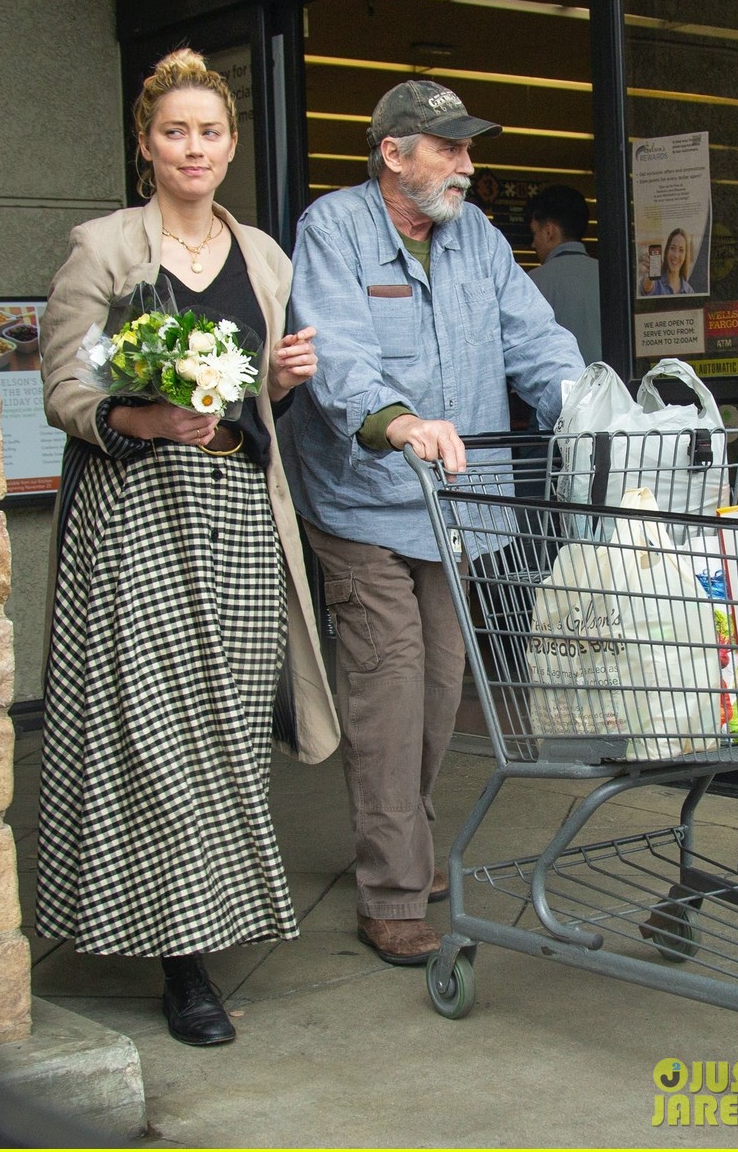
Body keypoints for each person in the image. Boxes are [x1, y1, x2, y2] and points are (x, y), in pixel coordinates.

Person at [36, 49, 339, 1048]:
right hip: (135, 519)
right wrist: (144, 415)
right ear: (144, 145)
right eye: (175, 132)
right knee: (154, 736)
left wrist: (281, 382)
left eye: (210, 132)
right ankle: (185, 966)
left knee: (223, 736)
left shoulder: (262, 257)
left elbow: (255, 405)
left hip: (239, 521)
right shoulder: (102, 247)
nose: (194, 147)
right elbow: (64, 394)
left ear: (230, 145)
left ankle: (202, 918)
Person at [276, 80, 585, 967]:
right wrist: (399, 420)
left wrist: (586, 405)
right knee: (391, 686)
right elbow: (335, 354)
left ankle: (405, 838)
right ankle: (393, 889)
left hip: (457, 509)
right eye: (449, 147)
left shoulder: (478, 238)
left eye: (468, 149)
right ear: (393, 153)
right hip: (362, 501)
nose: (467, 164)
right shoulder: (334, 229)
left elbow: (533, 338)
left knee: (443, 688)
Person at [524, 185, 602, 364]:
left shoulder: (531, 283)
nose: (533, 244)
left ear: (549, 231)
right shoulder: (610, 279)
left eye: (534, 233)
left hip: (560, 389)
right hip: (610, 388)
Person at [639, 227, 694, 296]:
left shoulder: (689, 291)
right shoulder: (656, 282)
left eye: (681, 250)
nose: (676, 255)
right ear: (667, 251)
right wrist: (650, 275)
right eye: (672, 248)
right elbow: (647, 287)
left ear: (685, 256)